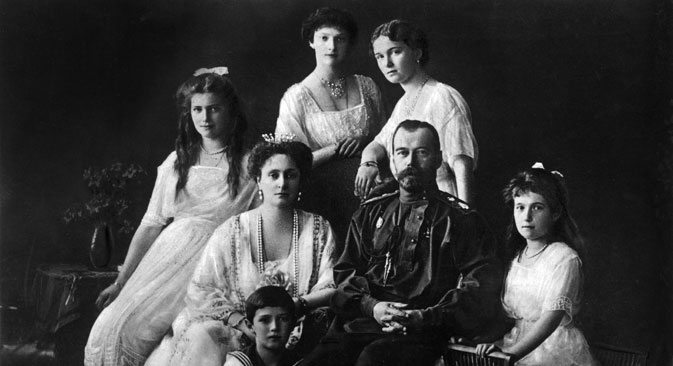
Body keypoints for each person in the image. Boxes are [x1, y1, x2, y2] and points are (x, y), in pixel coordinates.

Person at [84, 69, 258, 366]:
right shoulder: (178, 162)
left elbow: (289, 170)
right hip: (166, 260)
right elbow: (151, 224)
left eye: (214, 108)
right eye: (197, 109)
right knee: (113, 326)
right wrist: (121, 281)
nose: (205, 118)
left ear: (231, 111)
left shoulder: (250, 165)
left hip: (213, 264)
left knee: (184, 341)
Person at [303, 120, 502, 366]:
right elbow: (345, 273)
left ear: (438, 158)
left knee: (372, 361)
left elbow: (480, 286)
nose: (410, 162)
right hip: (363, 320)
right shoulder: (370, 212)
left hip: (421, 330)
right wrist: (371, 306)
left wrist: (424, 316)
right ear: (393, 159)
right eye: (402, 153)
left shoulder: (461, 219)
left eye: (422, 152)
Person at [145, 140, 337, 366]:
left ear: (300, 180)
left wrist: (298, 305)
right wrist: (238, 321)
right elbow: (201, 287)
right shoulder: (232, 230)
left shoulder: (317, 229)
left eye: (290, 175)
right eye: (273, 175)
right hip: (236, 328)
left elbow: (331, 282)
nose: (282, 183)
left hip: (293, 327)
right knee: (203, 336)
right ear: (259, 180)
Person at [475, 163, 597, 365]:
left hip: (552, 348)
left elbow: (551, 320)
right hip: (517, 340)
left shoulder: (565, 258)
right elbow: (511, 318)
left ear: (555, 213)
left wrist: (512, 354)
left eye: (537, 208)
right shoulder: (518, 257)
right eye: (520, 207)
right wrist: (481, 341)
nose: (527, 216)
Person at [355, 19, 478, 203]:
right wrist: (368, 162)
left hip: (444, 203)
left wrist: (466, 217)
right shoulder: (403, 103)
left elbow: (462, 164)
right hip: (411, 202)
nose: (387, 63)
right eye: (379, 56)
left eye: (395, 52)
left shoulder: (442, 96)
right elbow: (378, 144)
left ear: (417, 52)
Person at [275, 7, 386, 168]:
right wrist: (334, 150)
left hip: (373, 181)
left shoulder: (368, 87)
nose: (332, 46)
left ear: (350, 43)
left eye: (340, 39)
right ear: (311, 41)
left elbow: (387, 139)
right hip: (322, 186)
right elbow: (288, 163)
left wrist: (366, 141)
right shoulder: (295, 98)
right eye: (324, 38)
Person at [223, 286, 302, 366]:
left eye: (283, 319)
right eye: (265, 320)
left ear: (293, 323)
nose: (274, 327)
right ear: (250, 326)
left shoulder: (300, 362)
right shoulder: (238, 364)